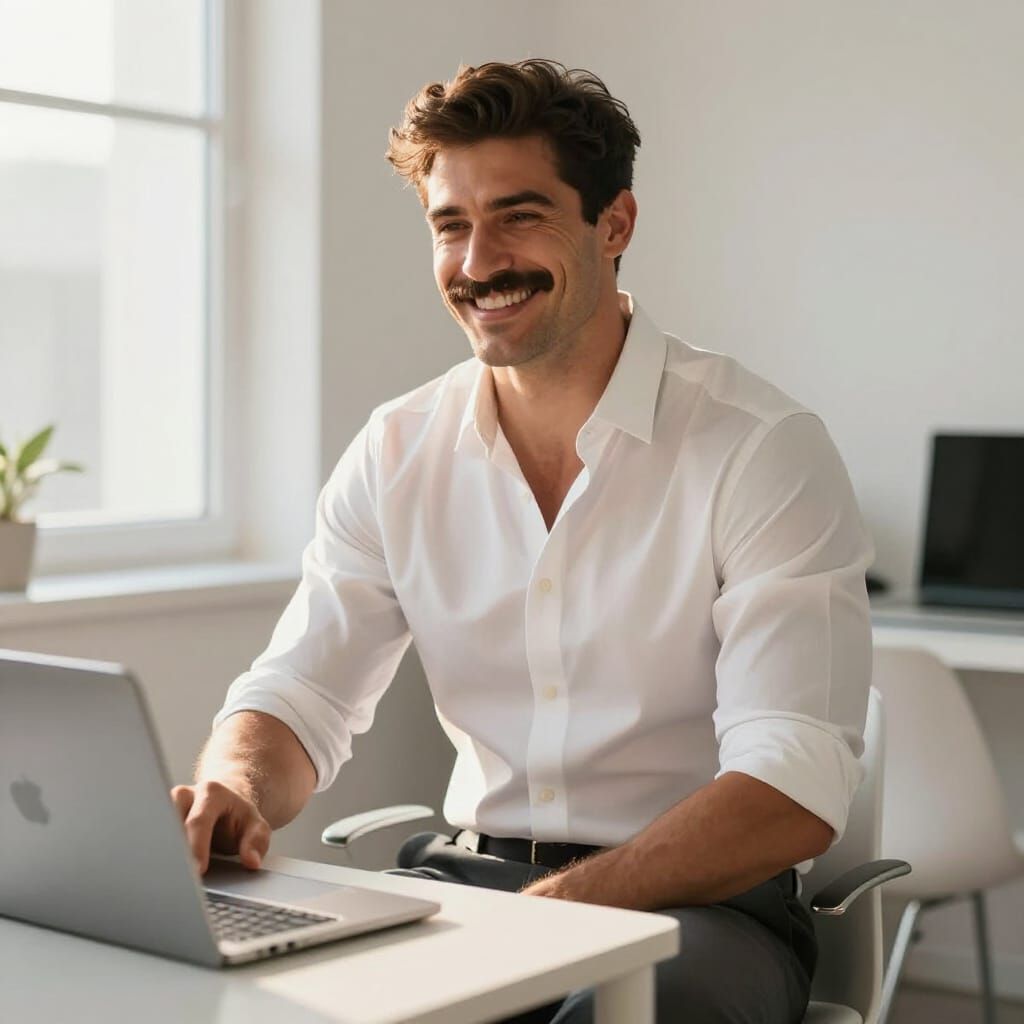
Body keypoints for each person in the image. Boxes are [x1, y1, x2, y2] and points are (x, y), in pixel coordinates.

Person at [173, 59, 874, 1023]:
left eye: (520, 215)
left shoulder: (758, 450)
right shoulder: (395, 450)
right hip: (467, 886)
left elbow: (792, 783)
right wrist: (234, 790)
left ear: (614, 224)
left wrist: (552, 918)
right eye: (450, 224)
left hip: (703, 913)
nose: (477, 262)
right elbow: (300, 693)